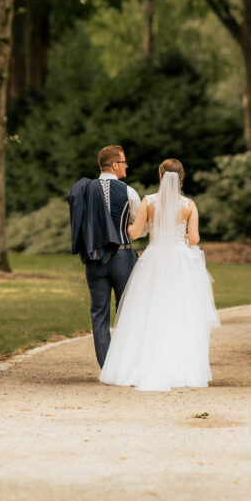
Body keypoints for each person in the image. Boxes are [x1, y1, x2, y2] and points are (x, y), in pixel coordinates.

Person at [99, 158, 220, 391]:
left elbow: (135, 233)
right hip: (181, 264)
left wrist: (122, 225)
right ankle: (181, 368)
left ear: (161, 175)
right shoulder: (189, 205)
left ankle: (141, 365)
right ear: (181, 177)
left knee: (148, 311)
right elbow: (194, 239)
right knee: (180, 312)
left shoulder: (149, 201)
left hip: (153, 260)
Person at [67, 145, 141, 367]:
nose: (127, 166)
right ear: (115, 165)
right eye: (124, 162)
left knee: (99, 313)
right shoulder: (129, 192)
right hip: (122, 258)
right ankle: (125, 365)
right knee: (126, 311)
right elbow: (140, 228)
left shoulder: (85, 190)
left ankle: (107, 367)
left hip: (95, 259)